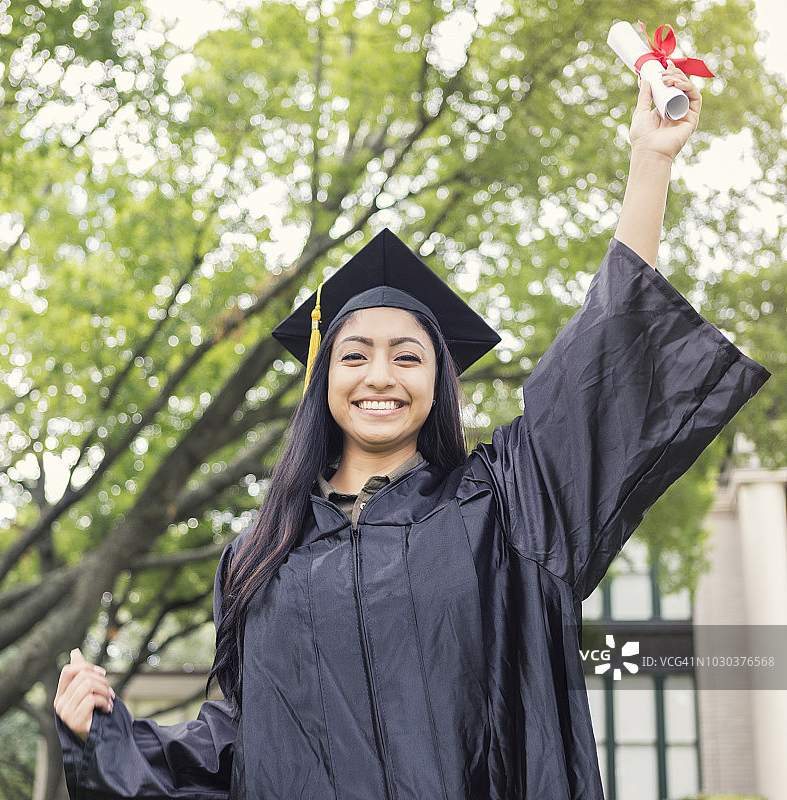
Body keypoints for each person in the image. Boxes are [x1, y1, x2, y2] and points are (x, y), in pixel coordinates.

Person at [54, 67, 769, 799]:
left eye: (408, 355)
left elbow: (602, 357)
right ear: (323, 377)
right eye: (355, 354)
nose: (380, 376)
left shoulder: (506, 509)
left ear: (438, 382)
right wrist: (102, 737)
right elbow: (240, 739)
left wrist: (650, 160)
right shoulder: (258, 558)